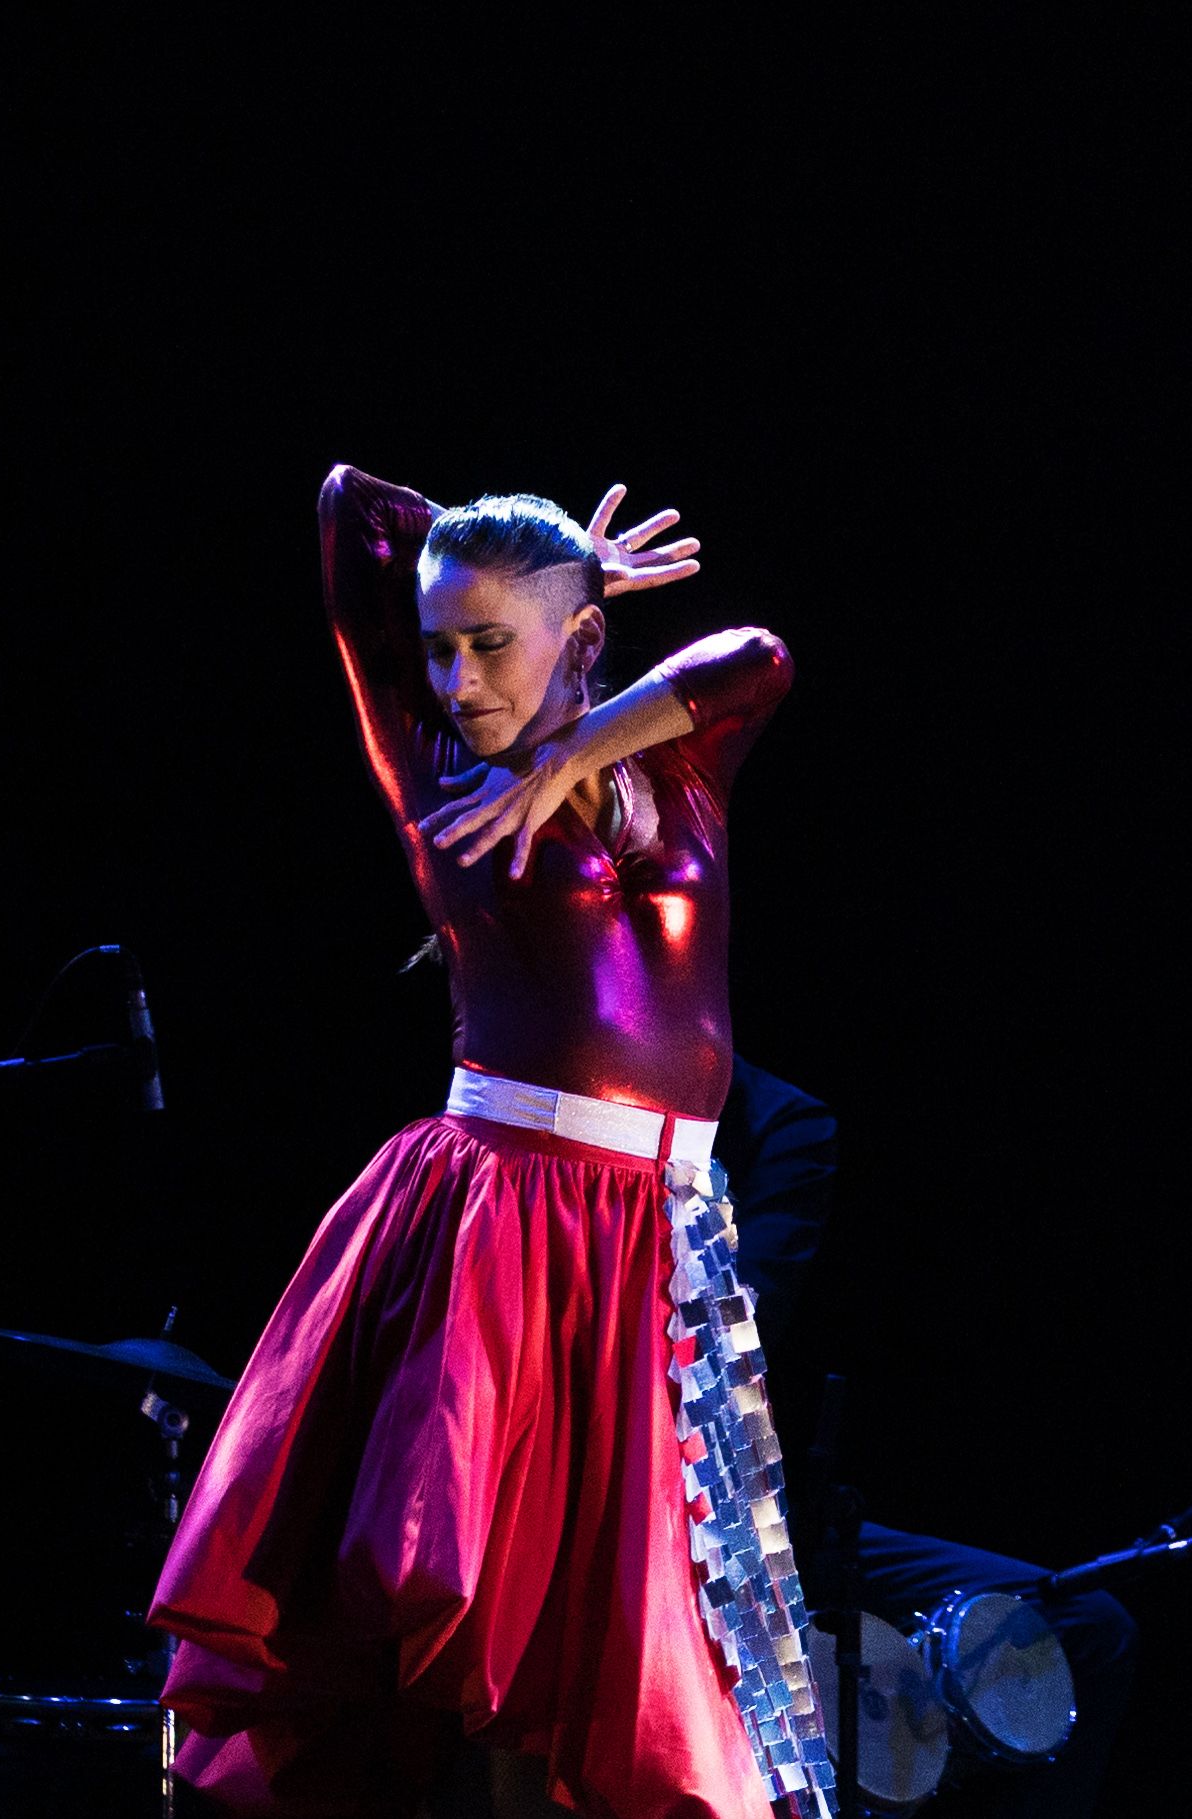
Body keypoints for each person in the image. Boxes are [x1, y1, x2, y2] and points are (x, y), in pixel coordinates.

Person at [149, 466, 836, 1819]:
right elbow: (348, 508)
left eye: (491, 643)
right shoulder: (435, 766)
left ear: (578, 642)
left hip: (659, 1236)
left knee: (629, 1634)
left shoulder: (670, 765)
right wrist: (549, 592)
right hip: (508, 1226)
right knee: (496, 1627)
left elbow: (760, 656)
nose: (459, 677)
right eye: (440, 647)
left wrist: (576, 705)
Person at [715, 1057, 1138, 1819]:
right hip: (613, 1516)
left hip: (755, 1522)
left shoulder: (777, 1123)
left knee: (1090, 1629)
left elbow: (737, 1337)